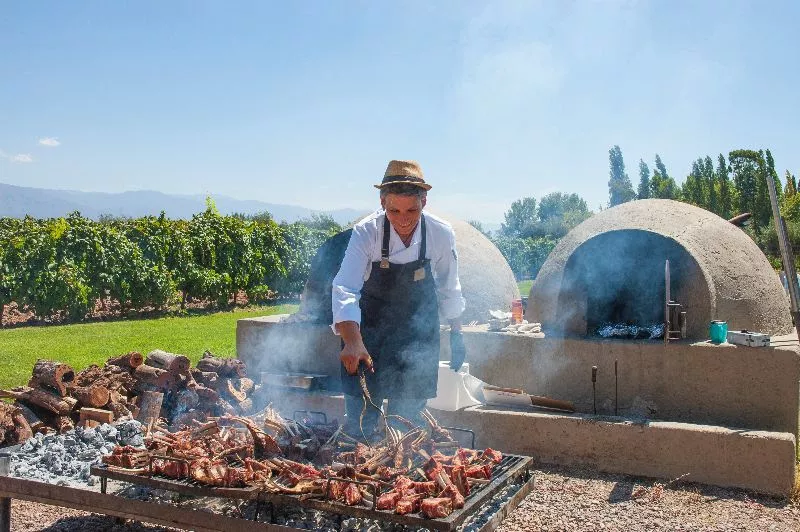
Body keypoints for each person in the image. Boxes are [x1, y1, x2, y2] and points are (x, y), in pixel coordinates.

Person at [331, 159, 467, 437]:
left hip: (417, 335)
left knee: (405, 425)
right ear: (382, 203)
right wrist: (352, 341)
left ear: (424, 202)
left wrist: (456, 333)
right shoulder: (366, 232)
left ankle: (403, 471)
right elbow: (345, 287)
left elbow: (449, 286)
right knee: (361, 423)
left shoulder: (440, 234)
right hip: (370, 332)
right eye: (394, 210)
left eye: (412, 210)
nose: (403, 219)